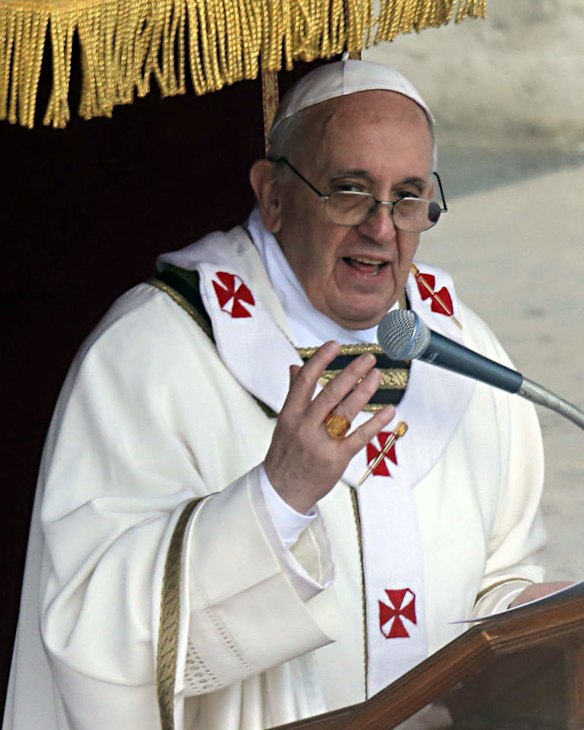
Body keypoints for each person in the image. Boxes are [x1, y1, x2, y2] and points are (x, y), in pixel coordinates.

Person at [3, 59, 561, 730]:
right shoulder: (154, 353)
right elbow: (87, 628)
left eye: (408, 196)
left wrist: (539, 616)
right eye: (349, 190)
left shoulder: (463, 346)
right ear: (273, 196)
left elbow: (496, 580)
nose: (382, 230)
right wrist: (276, 499)